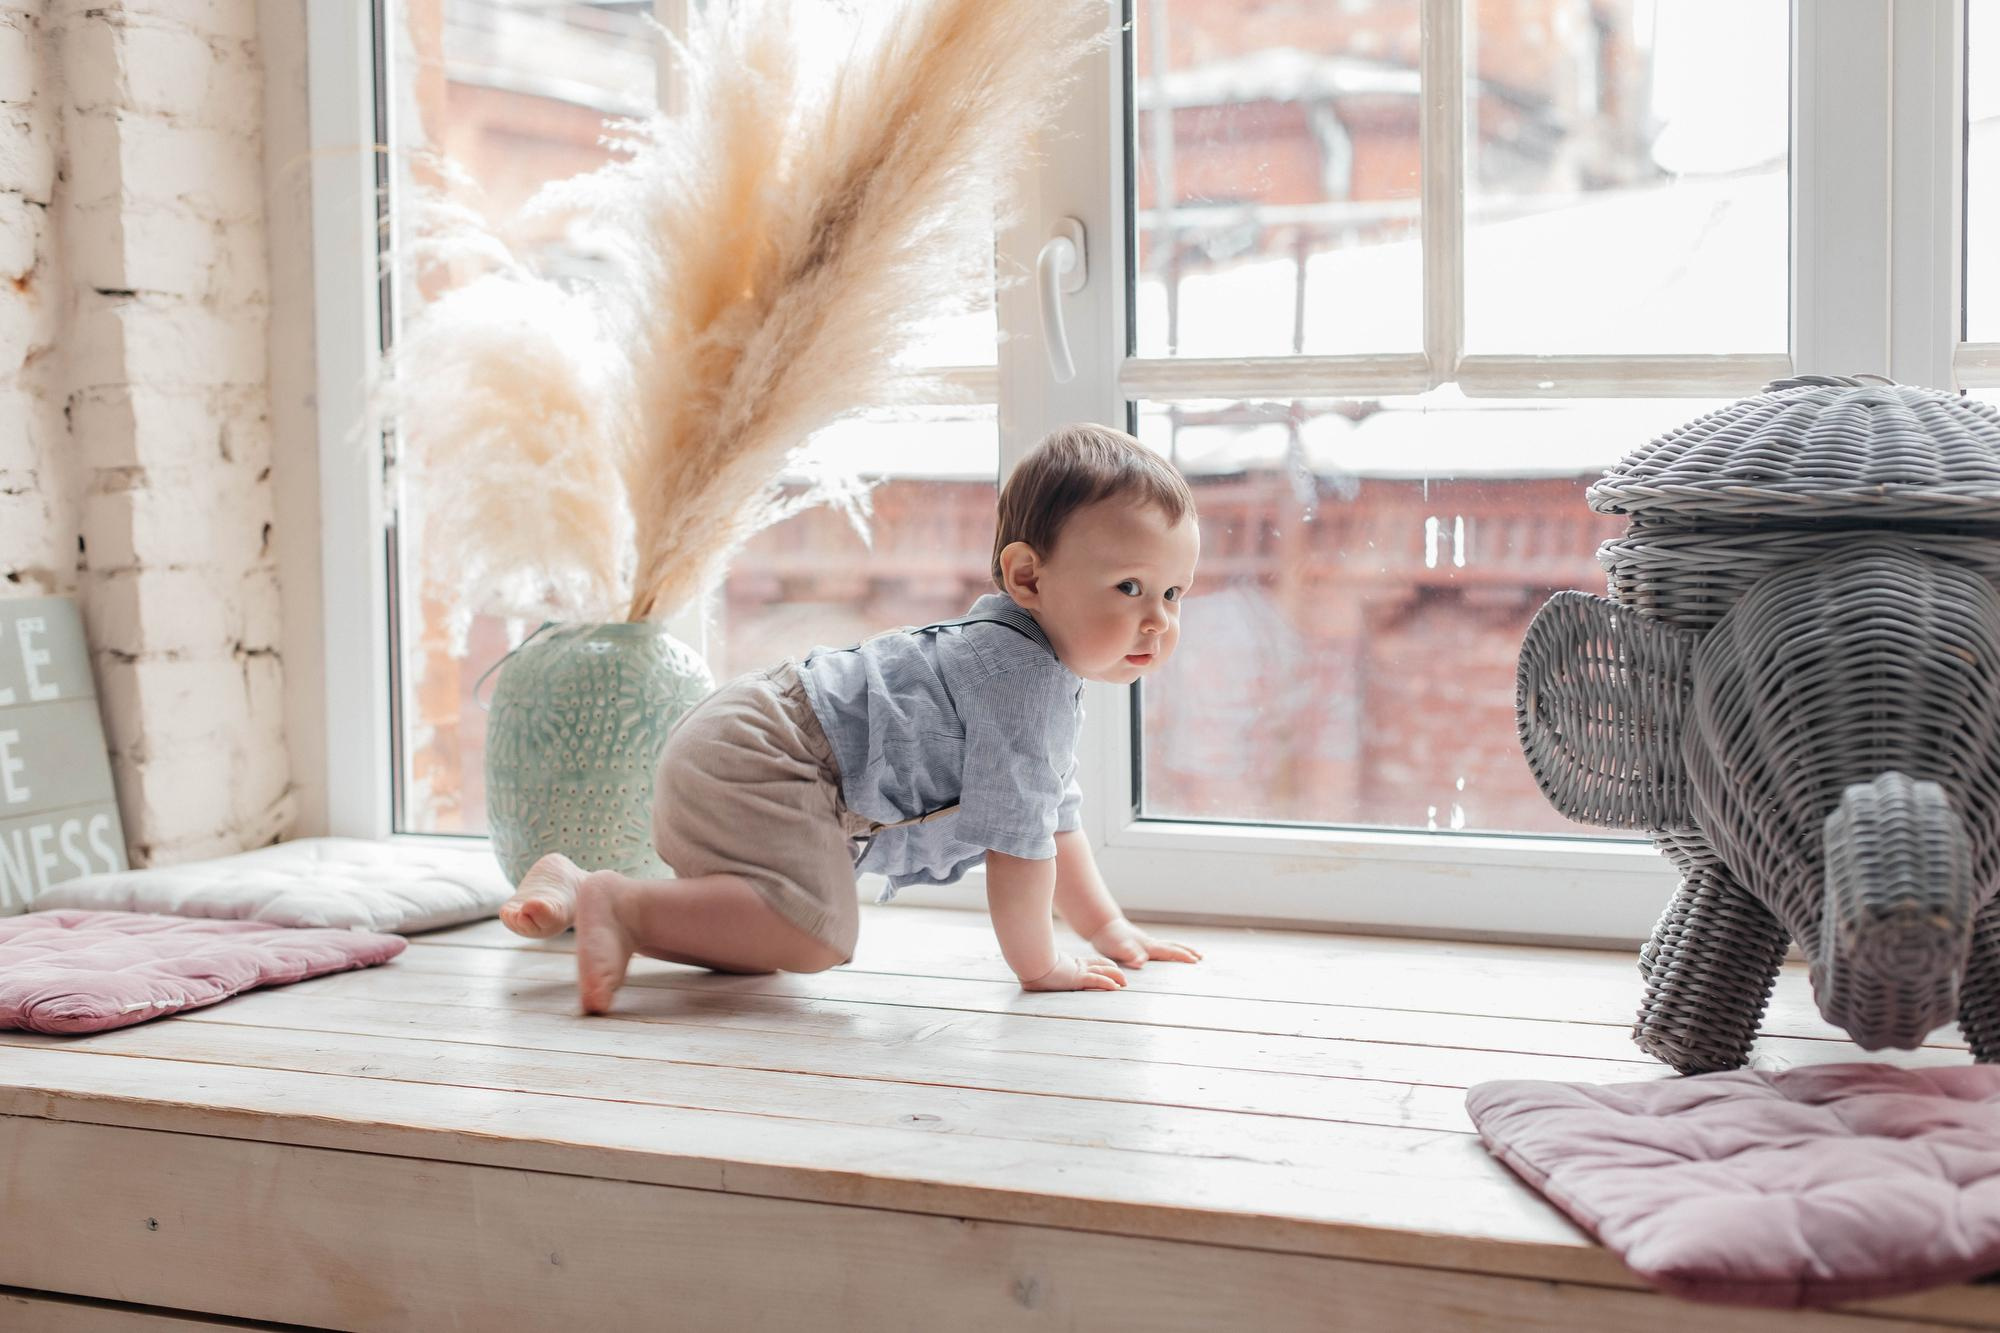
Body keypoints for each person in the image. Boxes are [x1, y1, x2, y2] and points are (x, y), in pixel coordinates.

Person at [499, 423, 1206, 1012]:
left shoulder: (1029, 665)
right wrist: (1040, 964)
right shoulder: (1022, 678)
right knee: (818, 936)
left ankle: (581, 888)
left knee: (763, 944)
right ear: (1026, 578)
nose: (1158, 619)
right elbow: (1021, 850)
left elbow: (1053, 816)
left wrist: (1109, 928)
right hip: (769, 753)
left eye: (1174, 593)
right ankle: (615, 901)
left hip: (742, 738)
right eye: (1130, 587)